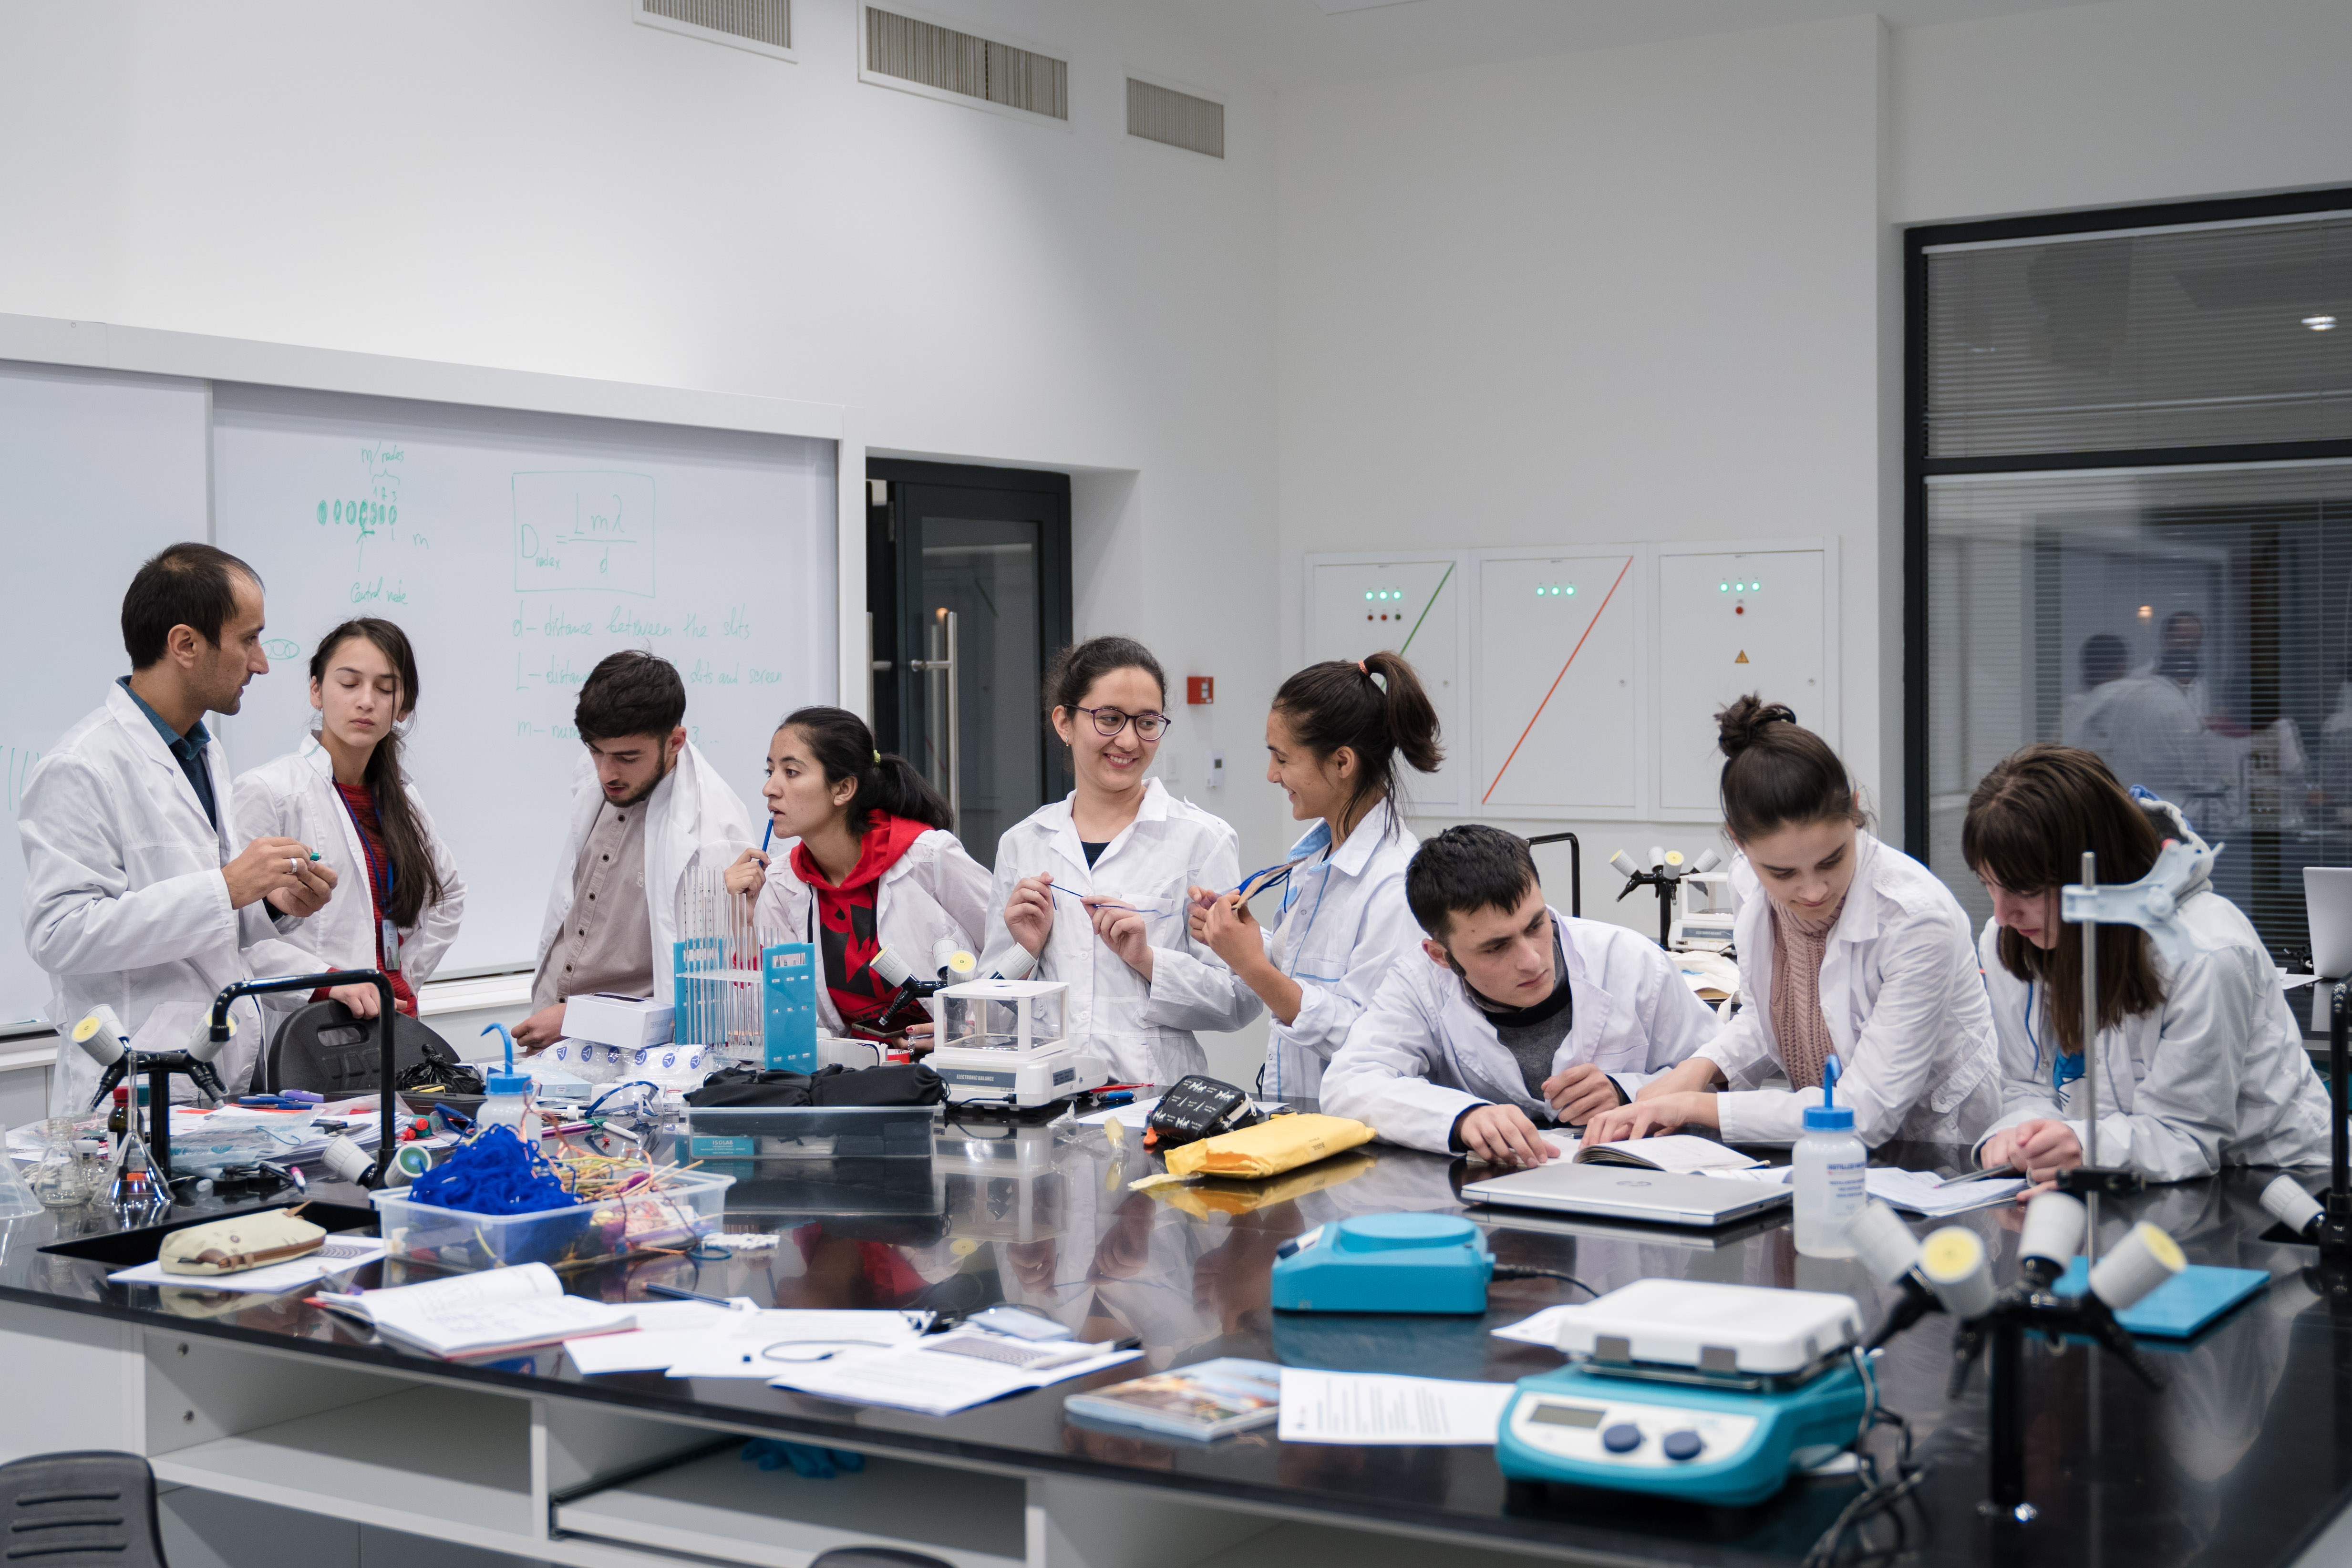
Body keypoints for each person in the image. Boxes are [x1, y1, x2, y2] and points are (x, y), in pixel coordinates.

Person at [1582, 696, 2000, 1148]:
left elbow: (1865, 1115)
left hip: (1938, 1147)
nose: (1813, 891)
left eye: (1832, 860)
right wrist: (1696, 1070)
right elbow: (1773, 1014)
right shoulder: (1749, 882)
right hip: (1825, 1143)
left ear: (1855, 811)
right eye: (1782, 873)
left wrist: (1693, 1105)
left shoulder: (1915, 919)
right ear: (1740, 843)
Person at [21, 544, 337, 1113]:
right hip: (132, 1089)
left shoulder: (201, 750)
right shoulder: (82, 766)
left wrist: (269, 905)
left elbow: (200, 923)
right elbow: (59, 934)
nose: (261, 663)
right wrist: (227, 888)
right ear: (186, 644)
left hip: (212, 1074)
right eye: (248, 640)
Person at [1964, 745, 2329, 1188]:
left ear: (2092, 872)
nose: (2003, 915)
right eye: (1989, 885)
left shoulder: (2203, 951)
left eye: (2025, 889)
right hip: (2130, 1182)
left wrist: (2081, 1146)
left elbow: (2185, 1135)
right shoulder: (2014, 941)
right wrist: (2017, 1138)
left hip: (2272, 1185)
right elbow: (2028, 1085)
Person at [1321, 825, 1720, 1164]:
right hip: (1489, 1211)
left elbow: (1722, 1076)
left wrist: (1627, 1091)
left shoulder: (1631, 962)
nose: (1531, 961)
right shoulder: (1417, 983)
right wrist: (1463, 1117)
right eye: (1496, 948)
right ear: (1441, 956)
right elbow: (1349, 1085)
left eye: (1535, 925)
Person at [981, 637, 1260, 1086]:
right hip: (1049, 1098)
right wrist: (1025, 953)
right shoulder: (1024, 844)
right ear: (1065, 722)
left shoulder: (1201, 840)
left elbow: (1240, 999)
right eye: (1109, 719)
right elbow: (987, 1018)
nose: (1129, 741)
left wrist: (1149, 960)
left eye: (1147, 723)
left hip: (1157, 1103)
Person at [1185, 651, 1442, 1101]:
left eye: (1282, 759)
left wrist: (1251, 965)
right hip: (1303, 1119)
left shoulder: (1395, 882)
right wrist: (1239, 939)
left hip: (1359, 1132)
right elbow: (1308, 973)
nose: (1271, 775)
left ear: (1342, 763)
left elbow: (1372, 1039)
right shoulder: (1315, 859)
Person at [512, 651, 754, 1048]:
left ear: (675, 742)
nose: (606, 773)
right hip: (553, 1032)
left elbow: (704, 1004)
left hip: (632, 1054)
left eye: (627, 758)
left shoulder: (713, 835)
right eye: (595, 751)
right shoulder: (607, 771)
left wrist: (580, 1019)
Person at [234, 618, 466, 1022]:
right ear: (316, 690)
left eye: (385, 688)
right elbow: (240, 934)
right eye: (349, 683)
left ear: (403, 706)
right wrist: (325, 982)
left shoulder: (402, 797)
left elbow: (448, 896)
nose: (366, 701)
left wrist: (402, 978)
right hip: (312, 1028)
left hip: (395, 1024)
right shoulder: (268, 791)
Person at [723, 706, 990, 1044]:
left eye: (791, 772)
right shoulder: (780, 885)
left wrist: (967, 1028)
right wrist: (746, 923)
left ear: (843, 789)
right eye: (770, 771)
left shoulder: (929, 857)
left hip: (958, 1068)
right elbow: (777, 1021)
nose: (770, 789)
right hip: (856, 1077)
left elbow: (1008, 955)